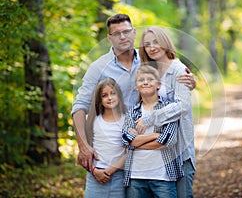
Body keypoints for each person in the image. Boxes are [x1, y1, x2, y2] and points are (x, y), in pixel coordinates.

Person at [72, 13, 196, 173]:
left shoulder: (148, 59)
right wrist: (83, 145)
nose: (122, 37)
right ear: (109, 38)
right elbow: (80, 106)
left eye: (126, 31)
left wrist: (189, 83)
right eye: (116, 34)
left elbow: (170, 81)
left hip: (158, 148)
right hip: (116, 149)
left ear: (134, 32)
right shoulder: (98, 67)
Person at [137, 26, 195, 198]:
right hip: (157, 152)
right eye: (147, 44)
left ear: (165, 42)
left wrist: (150, 118)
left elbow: (182, 106)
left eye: (156, 42)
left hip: (179, 151)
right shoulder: (150, 71)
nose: (152, 47)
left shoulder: (178, 69)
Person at [122, 65, 183, 198]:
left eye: (150, 79)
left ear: (158, 85)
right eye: (141, 80)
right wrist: (155, 135)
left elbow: (168, 140)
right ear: (136, 87)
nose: (145, 82)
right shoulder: (133, 111)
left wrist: (135, 142)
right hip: (135, 176)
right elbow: (125, 140)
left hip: (163, 176)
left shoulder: (168, 109)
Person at [84, 78, 126, 197]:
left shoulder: (126, 120)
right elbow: (85, 151)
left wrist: (111, 170)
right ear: (99, 99)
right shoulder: (92, 120)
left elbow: (130, 151)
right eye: (104, 95)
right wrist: (94, 171)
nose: (110, 97)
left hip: (119, 175)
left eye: (113, 93)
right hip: (95, 174)